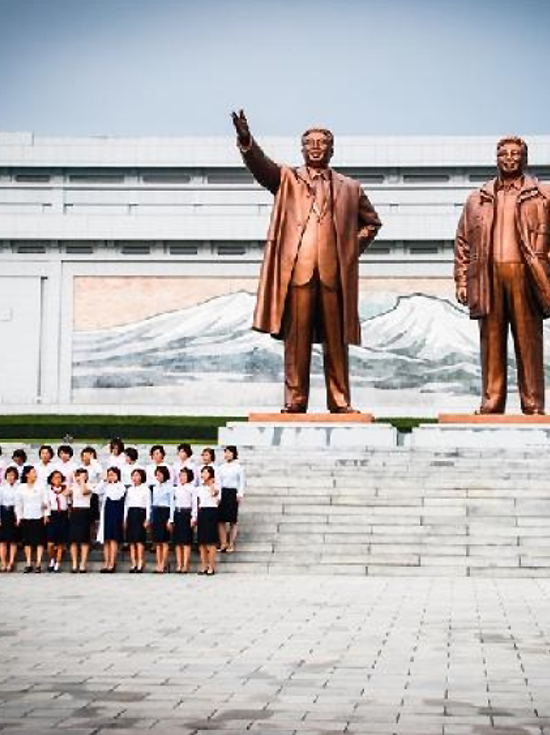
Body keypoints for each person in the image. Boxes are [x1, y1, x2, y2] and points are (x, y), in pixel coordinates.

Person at [231, 109, 382, 413]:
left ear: (331, 149)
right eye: (310, 143)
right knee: (296, 341)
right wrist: (246, 139)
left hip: (333, 275)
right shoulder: (288, 179)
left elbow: (372, 223)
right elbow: (261, 168)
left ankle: (340, 402)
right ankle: (295, 401)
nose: (315, 148)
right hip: (298, 272)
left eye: (321, 143)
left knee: (336, 343)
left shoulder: (350, 188)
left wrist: (349, 250)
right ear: (302, 149)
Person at [454, 136, 550, 414]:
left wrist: (549, 257)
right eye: (504, 154)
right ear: (496, 158)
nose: (509, 158)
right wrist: (462, 280)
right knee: (491, 343)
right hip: (487, 279)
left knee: (528, 342)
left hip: (526, 277)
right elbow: (463, 241)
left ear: (525, 159)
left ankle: (533, 404)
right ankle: (492, 402)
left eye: (515, 154)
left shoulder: (544, 193)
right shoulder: (478, 199)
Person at [15, 465, 47, 573]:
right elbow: (18, 504)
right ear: (27, 474)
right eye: (33, 472)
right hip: (26, 516)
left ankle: (38, 563)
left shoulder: (41, 486)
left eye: (35, 472)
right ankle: (28, 563)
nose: (35, 474)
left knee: (39, 541)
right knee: (27, 541)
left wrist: (46, 514)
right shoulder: (21, 488)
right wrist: (19, 517)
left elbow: (45, 501)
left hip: (38, 515)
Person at [217, 445, 245, 554]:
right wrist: (218, 496)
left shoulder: (238, 467)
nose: (227, 455)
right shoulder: (221, 467)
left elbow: (241, 482)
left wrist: (240, 494)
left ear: (234, 454)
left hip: (233, 493)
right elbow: (218, 482)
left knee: (232, 520)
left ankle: (231, 543)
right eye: (226, 452)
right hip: (223, 492)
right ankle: (223, 543)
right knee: (221, 520)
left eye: (229, 452)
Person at [98, 467, 127, 573]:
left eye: (112, 474)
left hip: (116, 512)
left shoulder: (121, 486)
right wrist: (104, 481)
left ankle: (112, 562)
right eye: (109, 474)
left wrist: (114, 482)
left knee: (113, 539)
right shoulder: (106, 485)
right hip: (106, 512)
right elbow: (97, 490)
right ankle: (106, 562)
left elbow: (116, 496)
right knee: (106, 539)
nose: (110, 476)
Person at [170, 467, 196, 574]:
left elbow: (194, 504)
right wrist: (171, 518)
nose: (182, 478)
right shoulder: (176, 488)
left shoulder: (192, 488)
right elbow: (172, 504)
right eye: (180, 476)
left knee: (186, 541)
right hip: (177, 513)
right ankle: (179, 564)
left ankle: (185, 565)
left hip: (186, 513)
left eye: (184, 475)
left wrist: (193, 517)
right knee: (178, 542)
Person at [124, 469, 151, 573]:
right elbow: (126, 504)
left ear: (142, 477)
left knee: (139, 541)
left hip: (141, 513)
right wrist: (125, 518)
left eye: (137, 475)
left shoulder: (146, 489)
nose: (135, 478)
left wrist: (147, 519)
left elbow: (148, 505)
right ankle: (133, 563)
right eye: (133, 476)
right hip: (131, 513)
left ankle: (140, 562)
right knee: (131, 541)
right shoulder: (130, 489)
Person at [196, 466, 221, 575]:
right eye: (202, 473)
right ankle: (204, 565)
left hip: (211, 511)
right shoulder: (199, 487)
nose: (203, 475)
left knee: (211, 541)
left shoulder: (216, 486)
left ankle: (211, 566)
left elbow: (214, 495)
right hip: (202, 511)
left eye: (205, 473)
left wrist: (211, 484)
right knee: (202, 542)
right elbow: (198, 501)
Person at [0, 466, 21, 572]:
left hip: (14, 513)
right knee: (3, 541)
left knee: (13, 540)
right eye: (9, 475)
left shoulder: (19, 488)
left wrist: (18, 517)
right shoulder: (1, 488)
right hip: (4, 512)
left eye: (13, 475)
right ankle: (3, 563)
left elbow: (19, 503)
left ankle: (11, 562)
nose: (11, 477)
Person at [150, 465, 174, 573]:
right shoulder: (154, 487)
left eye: (159, 474)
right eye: (156, 475)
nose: (158, 476)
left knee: (164, 541)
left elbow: (172, 504)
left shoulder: (170, 488)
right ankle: (158, 563)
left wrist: (170, 519)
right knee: (157, 541)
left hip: (165, 512)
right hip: (156, 512)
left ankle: (163, 564)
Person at [68, 467, 93, 573]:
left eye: (83, 475)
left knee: (84, 540)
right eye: (78, 475)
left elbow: (84, 492)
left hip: (85, 512)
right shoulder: (73, 486)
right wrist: (72, 480)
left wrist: (82, 481)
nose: (80, 477)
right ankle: (74, 564)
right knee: (73, 540)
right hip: (75, 512)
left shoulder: (90, 485)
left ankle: (83, 564)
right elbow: (65, 493)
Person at [45, 469, 70, 572]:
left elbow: (69, 503)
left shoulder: (66, 490)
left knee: (60, 542)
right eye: (55, 477)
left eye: (59, 477)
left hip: (63, 515)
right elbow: (47, 504)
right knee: (50, 542)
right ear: (51, 480)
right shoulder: (48, 491)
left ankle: (58, 563)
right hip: (53, 514)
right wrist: (46, 515)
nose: (57, 480)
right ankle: (52, 559)